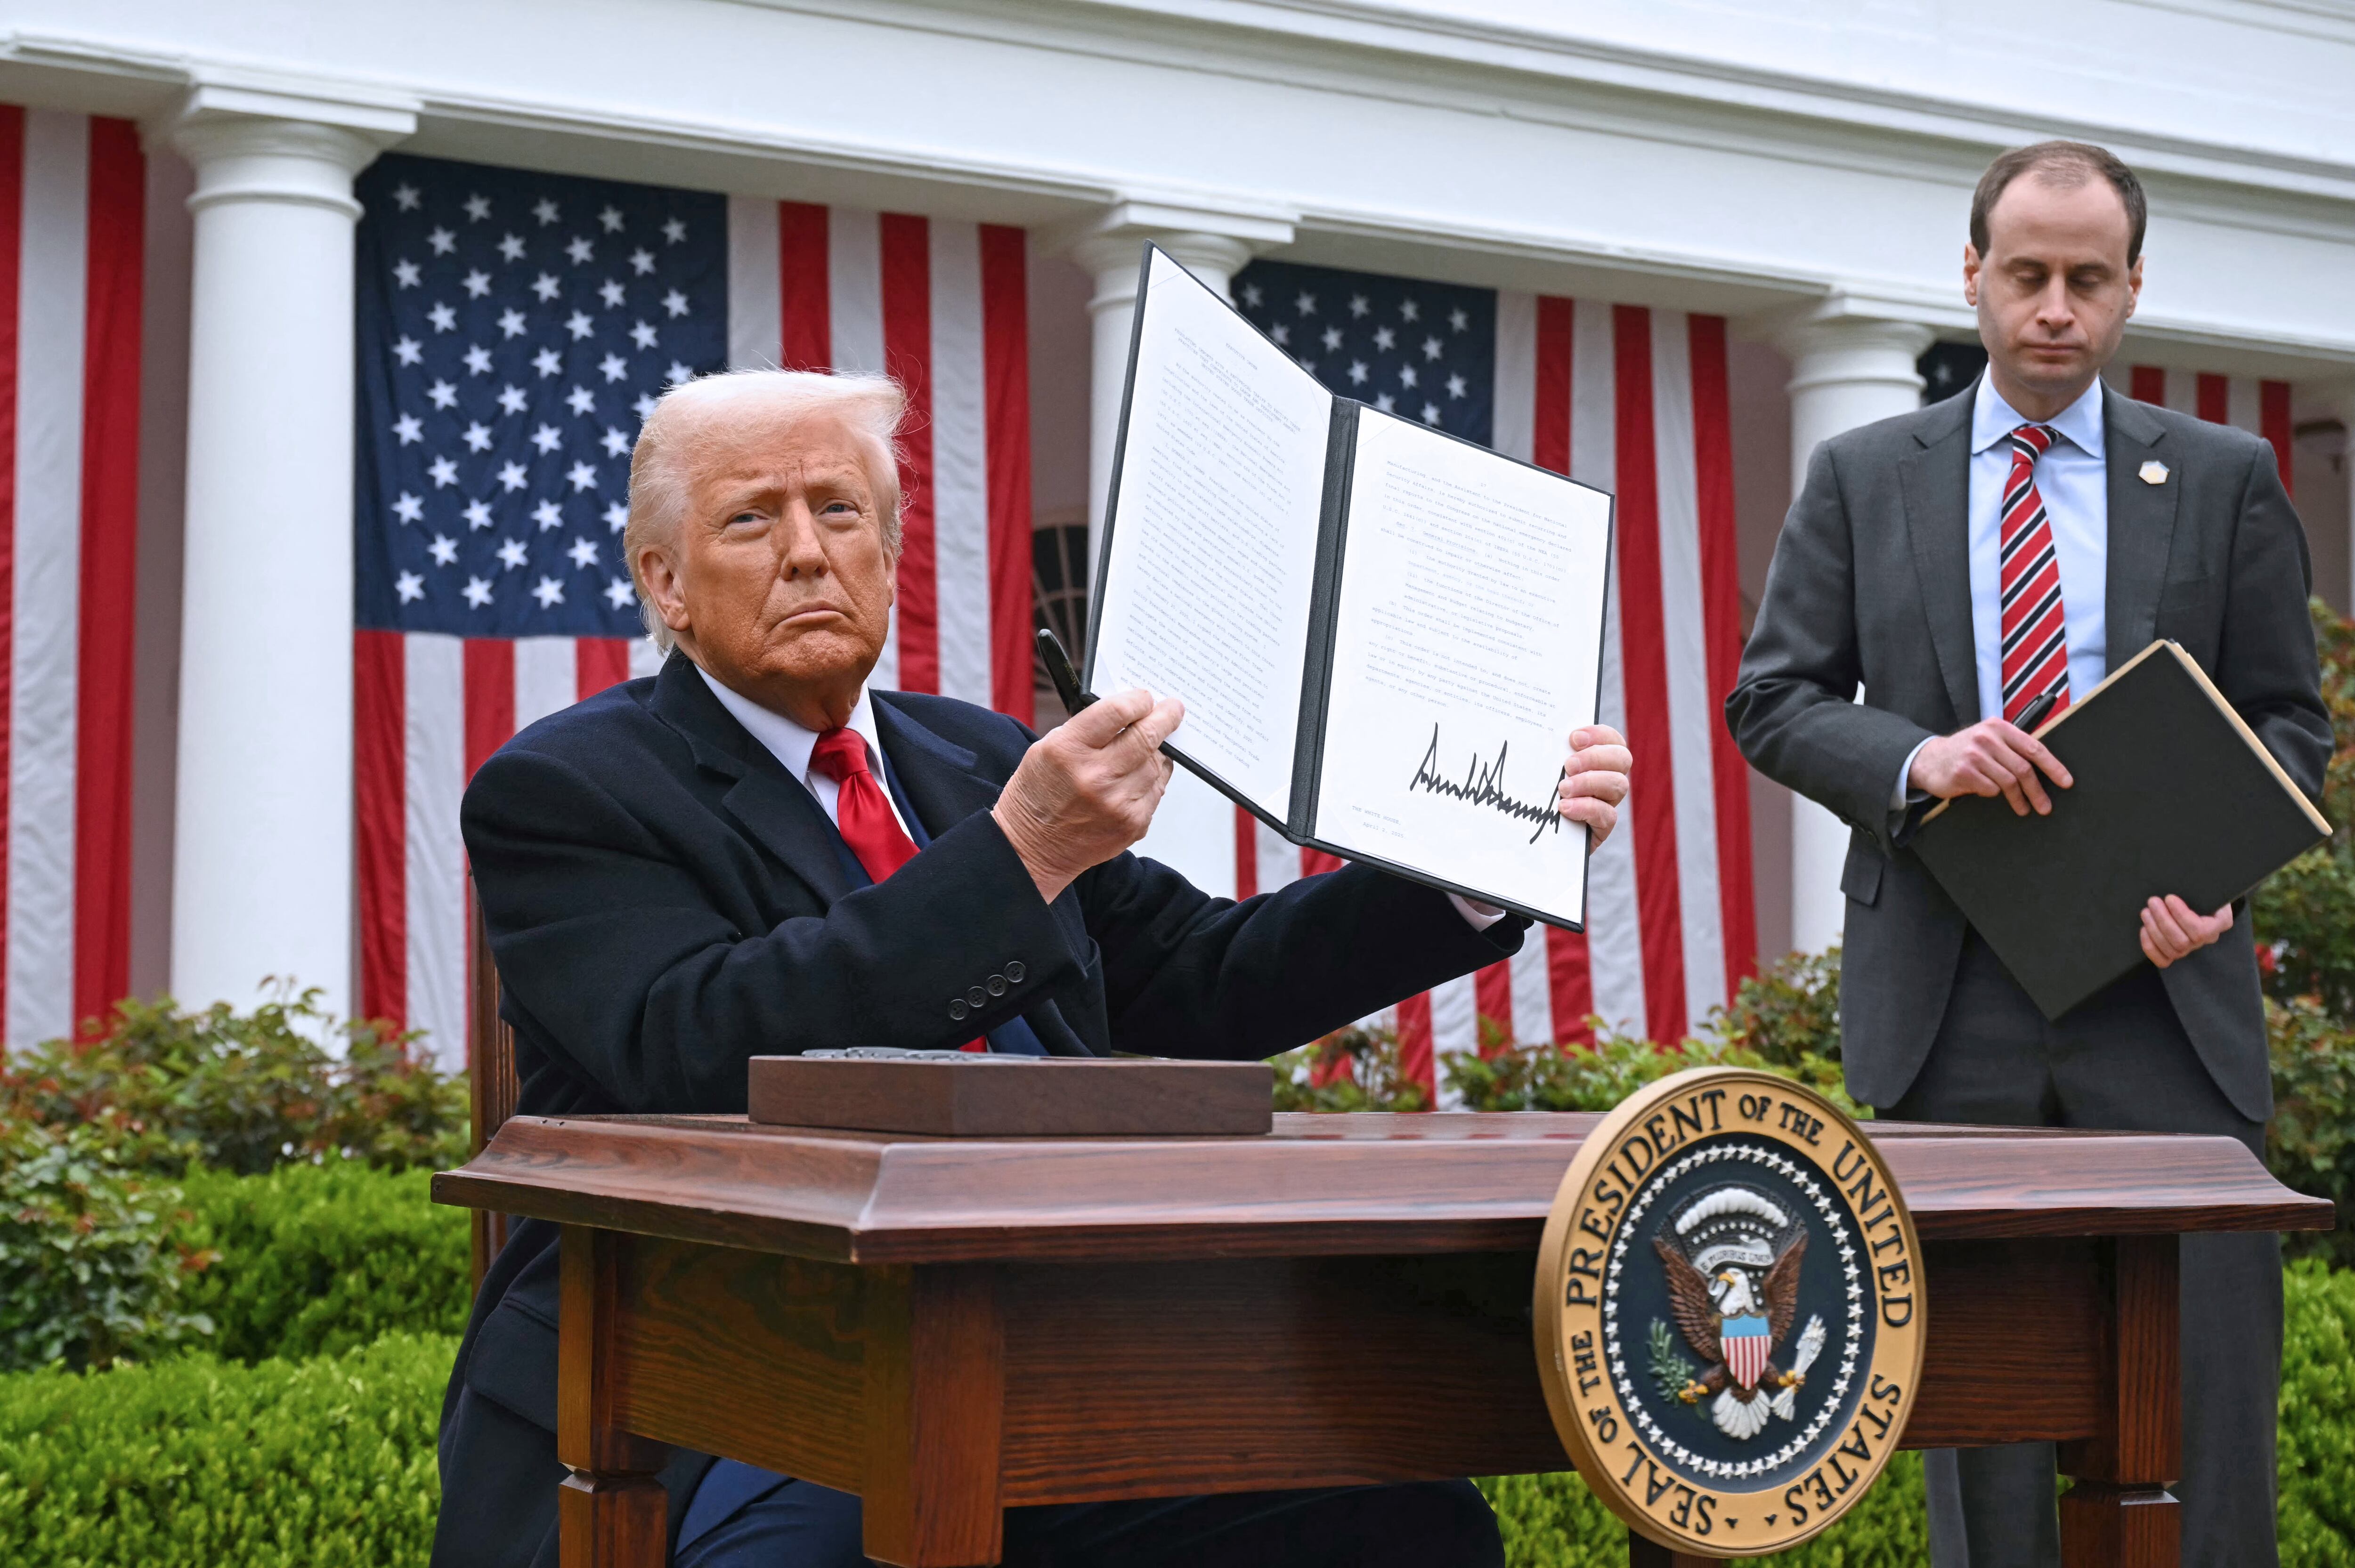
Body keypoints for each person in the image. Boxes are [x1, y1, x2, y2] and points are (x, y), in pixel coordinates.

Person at [432, 367, 1634, 1568]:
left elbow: (1201, 983)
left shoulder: (974, 755)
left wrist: (1473, 866)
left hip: (1061, 1338)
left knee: (1403, 1528)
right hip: (728, 1367)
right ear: (666, 584)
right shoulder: (570, 787)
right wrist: (1023, 853)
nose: (807, 553)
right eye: (753, 518)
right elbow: (694, 1046)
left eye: (840, 512)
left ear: (892, 552)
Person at [1728, 141, 2329, 1567]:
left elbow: (2289, 723)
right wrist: (1916, 758)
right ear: (1973, 276)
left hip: (2167, 1000)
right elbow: (1773, 699)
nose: (2055, 306)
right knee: (1984, 1441)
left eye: (2087, 279)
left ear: (2132, 289)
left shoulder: (2229, 477)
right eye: (2027, 274)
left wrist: (2221, 876)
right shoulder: (1865, 472)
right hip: (1952, 1010)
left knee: (2208, 1429)